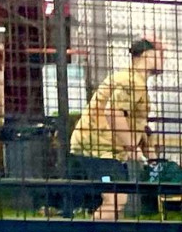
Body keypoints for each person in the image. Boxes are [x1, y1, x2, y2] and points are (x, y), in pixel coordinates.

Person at [68, 36, 165, 222]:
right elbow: (113, 112)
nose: (163, 60)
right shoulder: (133, 82)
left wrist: (149, 153)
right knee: (115, 199)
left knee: (117, 200)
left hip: (104, 149)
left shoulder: (131, 79)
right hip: (99, 149)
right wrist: (132, 147)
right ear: (147, 56)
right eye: (160, 55)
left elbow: (133, 121)